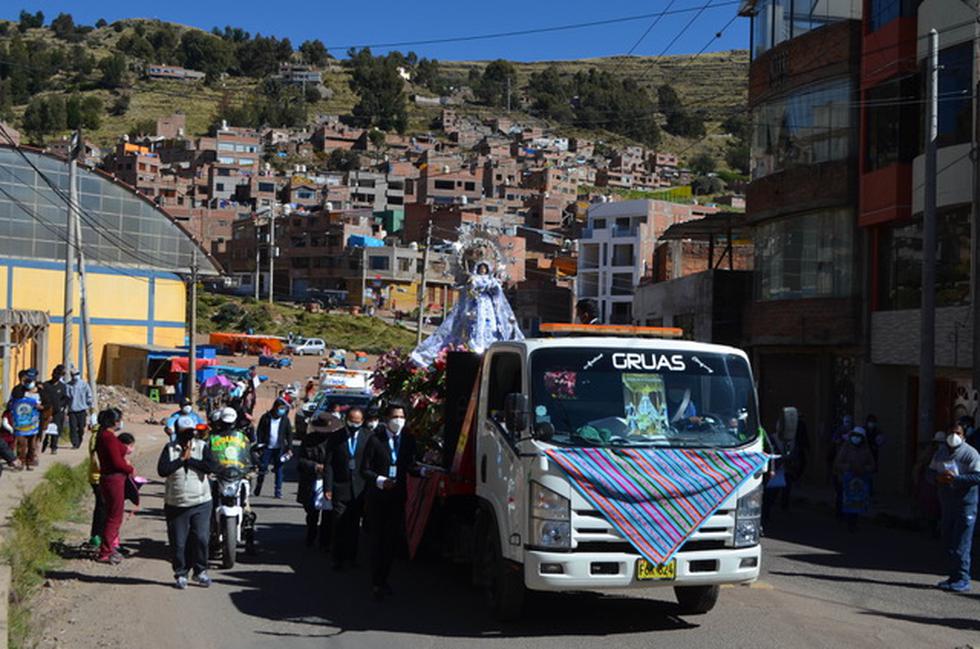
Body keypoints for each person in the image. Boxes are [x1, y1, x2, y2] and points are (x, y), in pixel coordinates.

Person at [361, 404, 419, 599]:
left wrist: (422, 471)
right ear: (387, 418)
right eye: (395, 416)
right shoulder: (375, 440)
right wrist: (379, 480)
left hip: (397, 498)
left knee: (390, 542)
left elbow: (410, 465)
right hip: (378, 499)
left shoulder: (408, 440)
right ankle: (376, 581)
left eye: (402, 416)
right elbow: (365, 469)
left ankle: (384, 578)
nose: (399, 420)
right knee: (377, 541)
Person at [158, 415, 219, 589]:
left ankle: (200, 571)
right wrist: (181, 460)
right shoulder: (169, 449)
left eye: (191, 432)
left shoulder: (202, 447)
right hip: (176, 503)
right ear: (177, 432)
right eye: (184, 432)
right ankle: (181, 573)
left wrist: (190, 459)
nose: (188, 435)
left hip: (201, 501)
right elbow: (162, 470)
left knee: (200, 538)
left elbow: (210, 467)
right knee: (178, 542)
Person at [930, 422, 980, 592]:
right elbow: (931, 473)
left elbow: (977, 477)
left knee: (961, 543)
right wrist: (938, 479)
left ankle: (963, 578)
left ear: (963, 436)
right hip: (947, 504)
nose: (954, 436)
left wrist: (956, 480)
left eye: (957, 433)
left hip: (965, 504)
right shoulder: (941, 453)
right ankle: (953, 576)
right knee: (949, 541)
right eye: (951, 432)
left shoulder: (970, 454)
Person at [325, 406, 372, 570]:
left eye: (357, 422)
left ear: (362, 421)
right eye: (351, 421)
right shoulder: (336, 437)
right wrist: (328, 487)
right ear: (346, 420)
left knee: (353, 525)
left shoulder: (368, 437)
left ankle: (351, 557)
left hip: (359, 488)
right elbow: (329, 464)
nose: (354, 424)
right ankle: (336, 557)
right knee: (339, 523)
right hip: (340, 486)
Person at [95, 408, 134, 564]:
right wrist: (129, 469)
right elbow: (117, 462)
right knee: (114, 516)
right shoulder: (108, 438)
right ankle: (106, 551)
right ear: (114, 422)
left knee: (112, 514)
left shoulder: (104, 436)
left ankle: (109, 546)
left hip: (109, 478)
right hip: (114, 479)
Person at [296, 413, 338, 550]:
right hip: (312, 480)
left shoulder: (336, 441)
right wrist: (315, 467)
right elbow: (300, 461)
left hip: (329, 481)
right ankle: (311, 535)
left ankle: (325, 541)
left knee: (328, 513)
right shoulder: (308, 440)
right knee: (312, 513)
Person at [833, 426, 876, 532]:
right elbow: (838, 463)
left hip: (860, 479)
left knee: (857, 501)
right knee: (847, 500)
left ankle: (854, 521)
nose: (856, 438)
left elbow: (872, 465)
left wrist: (865, 469)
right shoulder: (846, 448)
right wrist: (847, 467)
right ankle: (847, 520)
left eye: (858, 437)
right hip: (848, 477)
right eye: (855, 436)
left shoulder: (866, 450)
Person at [255, 398, 293, 498]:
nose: (282, 410)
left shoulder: (285, 419)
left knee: (279, 469)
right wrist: (260, 444)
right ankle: (259, 486)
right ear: (275, 407)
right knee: (262, 468)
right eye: (281, 408)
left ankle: (278, 491)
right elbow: (260, 431)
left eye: (283, 409)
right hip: (267, 447)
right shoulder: (266, 417)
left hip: (279, 448)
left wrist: (289, 448)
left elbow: (289, 434)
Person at [8, 369, 42, 470]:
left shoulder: (39, 390)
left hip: (33, 423)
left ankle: (30, 461)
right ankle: (20, 462)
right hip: (20, 423)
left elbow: (46, 402)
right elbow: (13, 401)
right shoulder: (18, 390)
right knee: (21, 444)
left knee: (31, 445)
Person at [40, 365, 68, 455]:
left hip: (57, 412)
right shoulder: (46, 385)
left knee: (55, 430)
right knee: (46, 429)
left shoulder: (62, 387)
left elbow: (65, 399)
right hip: (46, 412)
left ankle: (54, 447)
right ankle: (43, 444)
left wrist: (62, 407)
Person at [66, 368, 94, 449]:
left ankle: (79, 440)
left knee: (81, 428)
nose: (75, 376)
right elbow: (67, 398)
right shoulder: (68, 385)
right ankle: (75, 443)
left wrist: (90, 405)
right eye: (73, 374)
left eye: (76, 374)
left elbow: (89, 395)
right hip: (72, 411)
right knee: (73, 428)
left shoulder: (84, 385)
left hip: (82, 410)